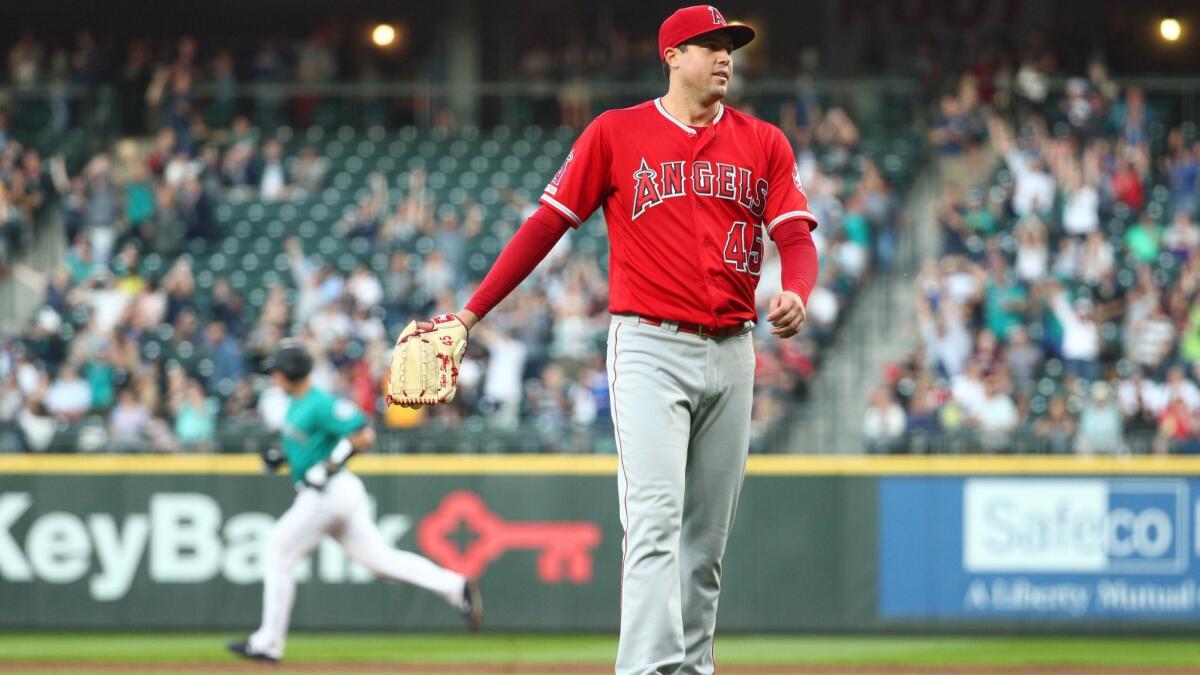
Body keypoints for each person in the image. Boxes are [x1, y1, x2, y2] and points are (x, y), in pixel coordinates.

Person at [405, 6, 819, 673]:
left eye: (730, 46)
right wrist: (471, 314)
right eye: (709, 45)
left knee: (706, 543)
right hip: (650, 346)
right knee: (653, 520)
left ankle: (690, 666)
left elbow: (796, 238)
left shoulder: (764, 141)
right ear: (672, 56)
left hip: (735, 349)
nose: (724, 56)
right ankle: (644, 668)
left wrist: (798, 288)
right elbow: (546, 225)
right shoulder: (616, 133)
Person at [228, 340, 481, 664]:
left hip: (328, 493)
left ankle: (268, 643)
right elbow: (311, 452)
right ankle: (455, 586)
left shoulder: (319, 402)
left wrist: (328, 466)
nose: (273, 376)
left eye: (276, 370)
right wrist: (283, 460)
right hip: (330, 492)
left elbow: (364, 434)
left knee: (278, 553)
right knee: (380, 561)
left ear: (290, 372)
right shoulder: (295, 403)